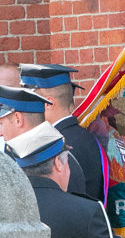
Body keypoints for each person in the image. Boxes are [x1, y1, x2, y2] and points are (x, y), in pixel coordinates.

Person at [21, 63, 107, 202]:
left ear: (48, 104)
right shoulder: (80, 136)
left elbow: (63, 202)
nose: (25, 108)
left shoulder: (61, 145)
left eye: (30, 101)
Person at [0, 84, 87, 195]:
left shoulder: (60, 159)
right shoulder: (57, 154)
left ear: (18, 119)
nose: (0, 133)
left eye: (1, 123)